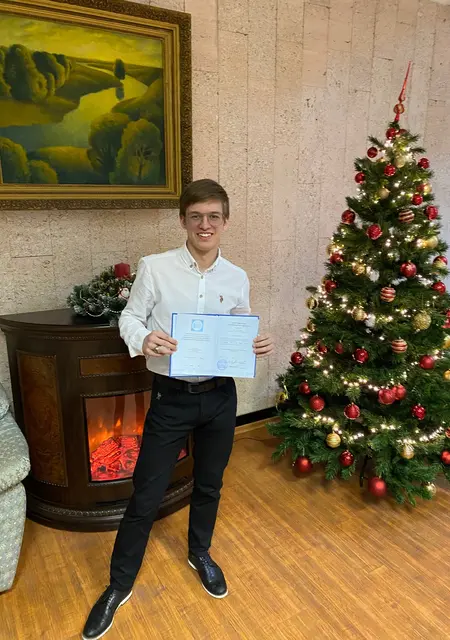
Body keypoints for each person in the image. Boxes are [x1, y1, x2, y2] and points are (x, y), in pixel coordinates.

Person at [82, 179, 274, 640]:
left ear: (225, 222)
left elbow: (238, 328)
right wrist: (143, 337)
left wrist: (253, 342)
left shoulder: (236, 277)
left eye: (213, 217)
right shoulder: (156, 267)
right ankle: (119, 584)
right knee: (146, 494)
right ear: (183, 220)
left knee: (210, 484)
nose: (205, 224)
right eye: (196, 216)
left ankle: (199, 552)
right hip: (171, 397)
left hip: (221, 397)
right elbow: (130, 317)